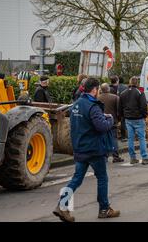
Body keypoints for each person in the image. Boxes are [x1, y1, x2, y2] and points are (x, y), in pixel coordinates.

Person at [53, 78, 120, 222]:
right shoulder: (92, 106)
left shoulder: (76, 105)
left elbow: (80, 124)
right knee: (102, 178)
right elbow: (101, 126)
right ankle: (104, 209)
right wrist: (110, 119)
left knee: (76, 179)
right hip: (94, 149)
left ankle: (62, 206)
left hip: (80, 147)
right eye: (97, 90)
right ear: (94, 90)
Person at [119, 76, 148, 165]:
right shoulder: (140, 92)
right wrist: (144, 115)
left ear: (129, 83)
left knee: (130, 138)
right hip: (138, 118)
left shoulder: (123, 93)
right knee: (141, 138)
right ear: (137, 83)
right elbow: (143, 106)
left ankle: (133, 158)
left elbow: (120, 107)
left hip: (128, 118)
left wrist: (123, 116)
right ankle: (145, 157)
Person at [98, 83, 124, 163]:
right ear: (108, 89)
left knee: (102, 139)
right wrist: (118, 119)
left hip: (101, 121)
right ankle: (115, 156)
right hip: (112, 121)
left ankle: (104, 157)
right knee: (113, 139)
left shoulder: (97, 98)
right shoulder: (115, 97)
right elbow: (119, 111)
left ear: (101, 90)